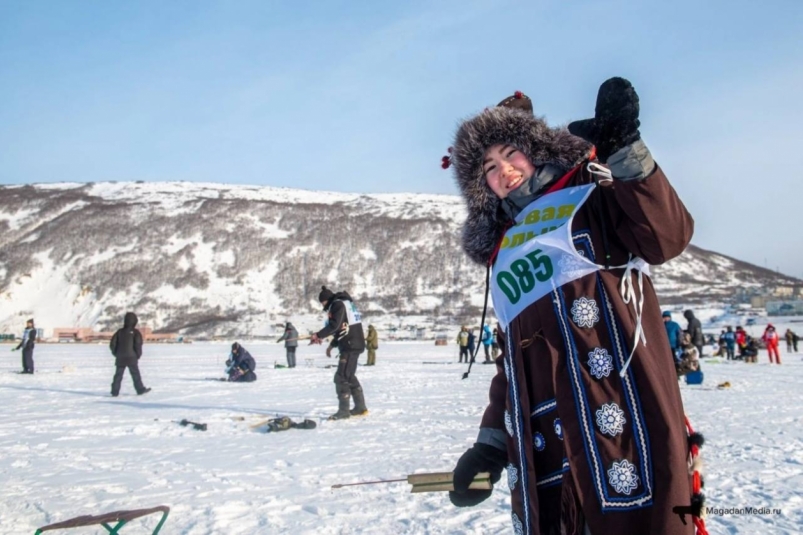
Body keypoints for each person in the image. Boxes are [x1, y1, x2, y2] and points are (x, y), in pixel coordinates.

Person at [446, 80, 700, 535]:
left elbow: (666, 237)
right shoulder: (503, 251)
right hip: (544, 443)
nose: (504, 170)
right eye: (489, 167)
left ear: (534, 148)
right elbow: (512, 360)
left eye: (511, 154)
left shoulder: (588, 190)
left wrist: (625, 152)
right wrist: (490, 445)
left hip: (621, 417)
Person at [310, 286, 368, 419]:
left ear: (326, 300)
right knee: (349, 376)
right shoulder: (345, 303)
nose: (323, 306)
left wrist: (318, 334)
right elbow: (342, 328)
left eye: (322, 302)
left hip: (350, 345)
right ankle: (360, 407)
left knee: (341, 377)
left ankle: (343, 411)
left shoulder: (337, 304)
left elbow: (334, 326)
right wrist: (331, 344)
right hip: (352, 343)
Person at [109, 312, 151, 396]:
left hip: (120, 357)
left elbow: (112, 344)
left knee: (118, 375)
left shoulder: (119, 332)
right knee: (135, 374)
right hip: (132, 357)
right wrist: (137, 355)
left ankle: (115, 391)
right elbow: (138, 344)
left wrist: (116, 353)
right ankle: (140, 389)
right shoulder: (135, 333)